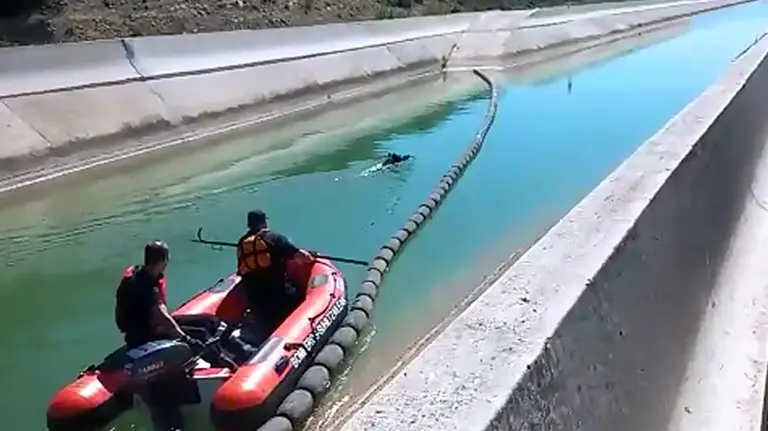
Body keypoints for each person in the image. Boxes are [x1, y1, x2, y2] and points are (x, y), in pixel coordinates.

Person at [235, 210, 314, 336]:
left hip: (255, 299)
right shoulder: (276, 238)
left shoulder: (242, 242)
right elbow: (303, 257)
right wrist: (312, 257)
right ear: (264, 222)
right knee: (300, 296)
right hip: (279, 296)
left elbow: (242, 270)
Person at [115, 240, 201, 350]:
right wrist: (185, 338)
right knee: (201, 332)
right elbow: (162, 316)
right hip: (147, 335)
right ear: (162, 261)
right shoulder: (147, 286)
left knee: (208, 322)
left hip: (136, 331)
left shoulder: (137, 274)